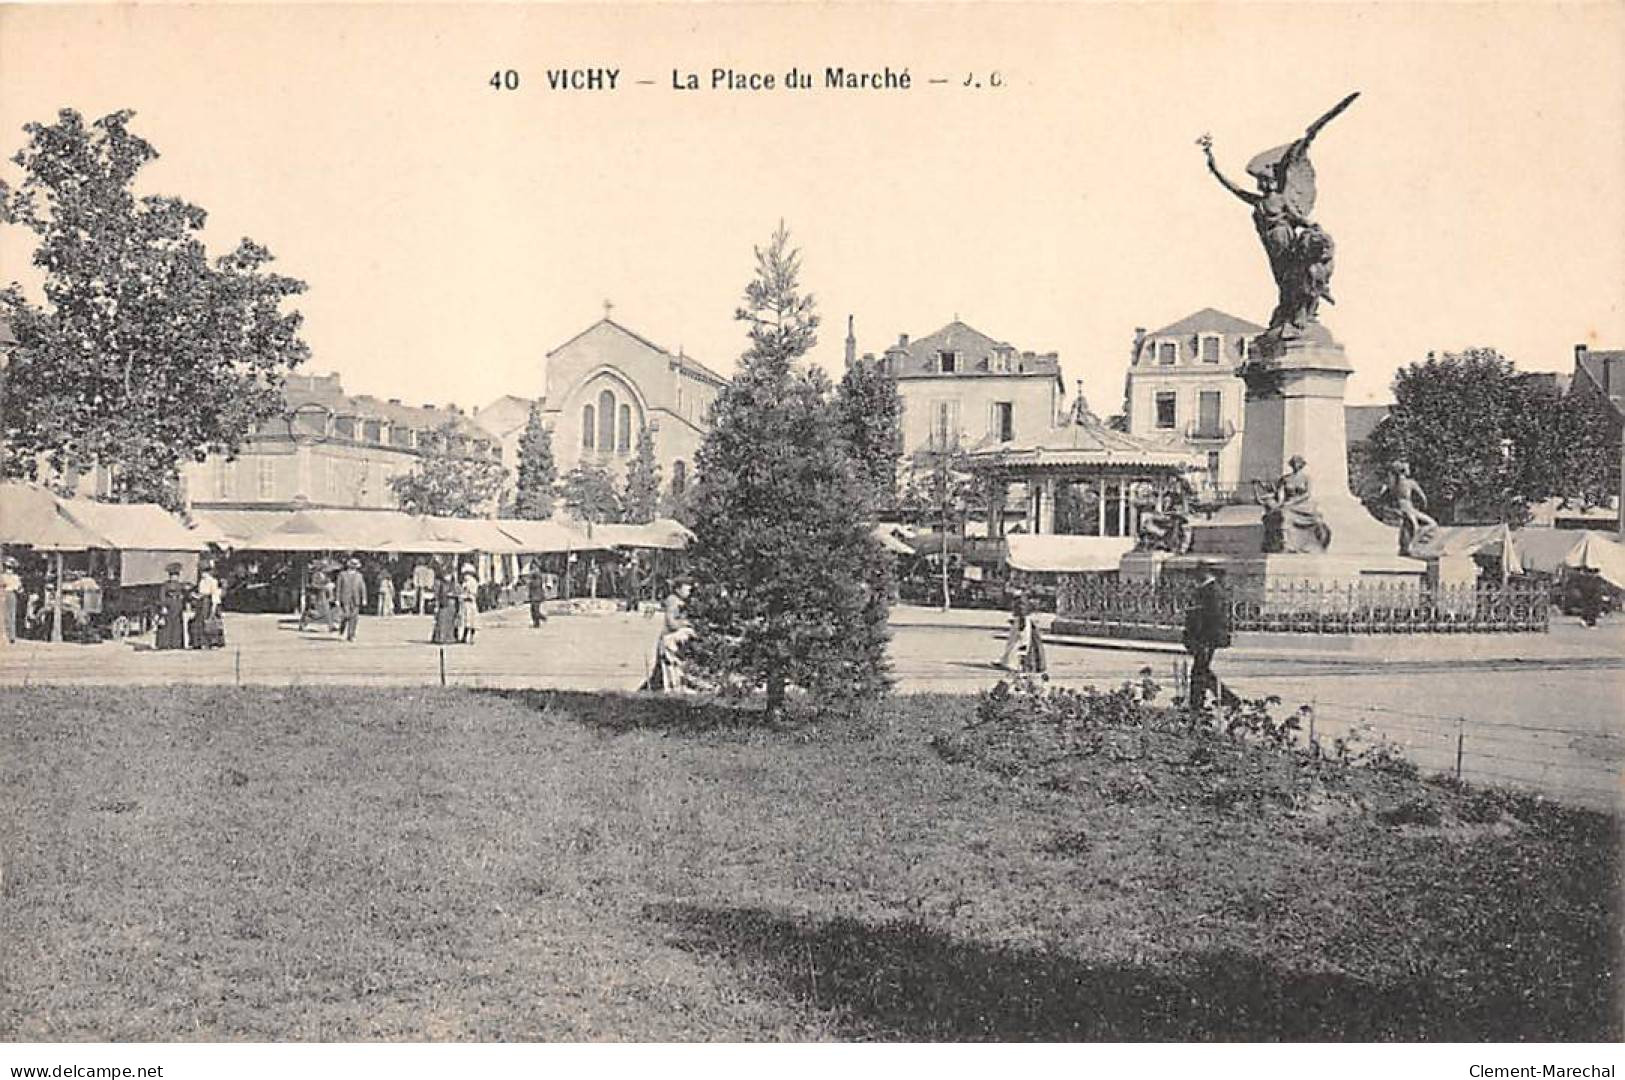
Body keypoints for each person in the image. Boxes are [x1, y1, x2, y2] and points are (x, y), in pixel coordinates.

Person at [1254, 455, 1332, 554]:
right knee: (1284, 514)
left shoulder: (1306, 478)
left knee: (1316, 519)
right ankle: (1286, 543)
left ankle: (1313, 542)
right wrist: (1279, 504)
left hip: (1302, 504)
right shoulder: (1285, 479)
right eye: (1294, 463)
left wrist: (1293, 502)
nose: (1296, 465)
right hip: (1288, 504)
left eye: (1298, 463)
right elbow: (1281, 494)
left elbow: (1307, 494)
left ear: (1301, 465)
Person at [1182, 563, 1232, 711]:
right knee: (1201, 670)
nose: (1193, 578)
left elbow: (1212, 618)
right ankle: (1225, 698)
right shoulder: (1206, 589)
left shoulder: (1212, 591)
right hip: (1204, 637)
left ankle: (1197, 705)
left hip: (1206, 638)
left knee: (1199, 671)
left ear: (1205, 573)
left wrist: (1200, 638)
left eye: (1196, 574)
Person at [640, 578, 695, 692]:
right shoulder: (673, 601)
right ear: (678, 589)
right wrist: (686, 623)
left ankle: (648, 691)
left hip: (674, 640)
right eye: (686, 588)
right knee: (668, 670)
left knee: (661, 673)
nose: (689, 591)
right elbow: (671, 623)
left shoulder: (681, 601)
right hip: (669, 639)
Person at [1382, 460, 1439, 557]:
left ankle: (1407, 547)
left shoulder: (1392, 485)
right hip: (1409, 509)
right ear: (1404, 471)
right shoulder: (1410, 483)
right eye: (1407, 468)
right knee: (1429, 525)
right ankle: (1412, 546)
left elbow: (1385, 496)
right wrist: (1423, 505)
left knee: (1408, 527)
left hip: (1402, 508)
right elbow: (1422, 497)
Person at [155, 562, 189, 650]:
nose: (175, 577)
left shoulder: (180, 585)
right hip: (168, 605)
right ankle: (165, 644)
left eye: (176, 575)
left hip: (178, 606)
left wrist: (185, 602)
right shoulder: (165, 585)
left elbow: (185, 594)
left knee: (177, 625)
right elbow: (162, 595)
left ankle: (176, 644)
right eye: (173, 575)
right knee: (167, 625)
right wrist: (163, 606)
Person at [335, 557, 368, 642]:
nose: (353, 566)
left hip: (356, 599)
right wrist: (337, 599)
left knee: (354, 618)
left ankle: (351, 635)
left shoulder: (359, 576)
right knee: (346, 615)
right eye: (352, 564)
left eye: (355, 565)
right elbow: (338, 587)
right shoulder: (342, 574)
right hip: (345, 598)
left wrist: (364, 598)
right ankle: (342, 629)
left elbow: (362, 587)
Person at [193, 563, 225, 649]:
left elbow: (214, 594)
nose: (203, 574)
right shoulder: (201, 581)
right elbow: (201, 593)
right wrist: (196, 596)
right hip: (201, 602)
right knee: (201, 622)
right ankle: (202, 642)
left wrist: (214, 607)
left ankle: (214, 643)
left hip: (209, 602)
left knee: (211, 622)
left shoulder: (213, 581)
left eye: (204, 572)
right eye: (202, 572)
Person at [431, 568, 459, 644]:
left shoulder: (453, 583)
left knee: (450, 622)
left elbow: (458, 591)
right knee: (441, 621)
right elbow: (437, 594)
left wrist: (454, 595)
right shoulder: (439, 583)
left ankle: (449, 637)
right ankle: (440, 638)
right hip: (443, 604)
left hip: (451, 604)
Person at [1, 556, 22, 645]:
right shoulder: (3, 576)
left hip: (10, 593)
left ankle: (11, 636)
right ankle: (8, 635)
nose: (9, 569)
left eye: (10, 567)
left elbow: (19, 588)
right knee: (6, 616)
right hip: (5, 594)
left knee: (10, 615)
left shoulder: (15, 577)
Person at [458, 563, 480, 644]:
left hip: (470, 603)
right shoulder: (465, 582)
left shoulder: (472, 582)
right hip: (465, 604)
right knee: (465, 621)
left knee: (471, 621)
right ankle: (464, 637)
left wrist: (466, 595)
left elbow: (473, 593)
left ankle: (471, 638)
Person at [526, 561, 549, 627]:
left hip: (537, 595)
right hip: (534, 595)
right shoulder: (535, 574)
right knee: (533, 610)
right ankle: (536, 623)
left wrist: (530, 582)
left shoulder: (537, 574)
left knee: (535, 610)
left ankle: (542, 618)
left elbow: (537, 584)